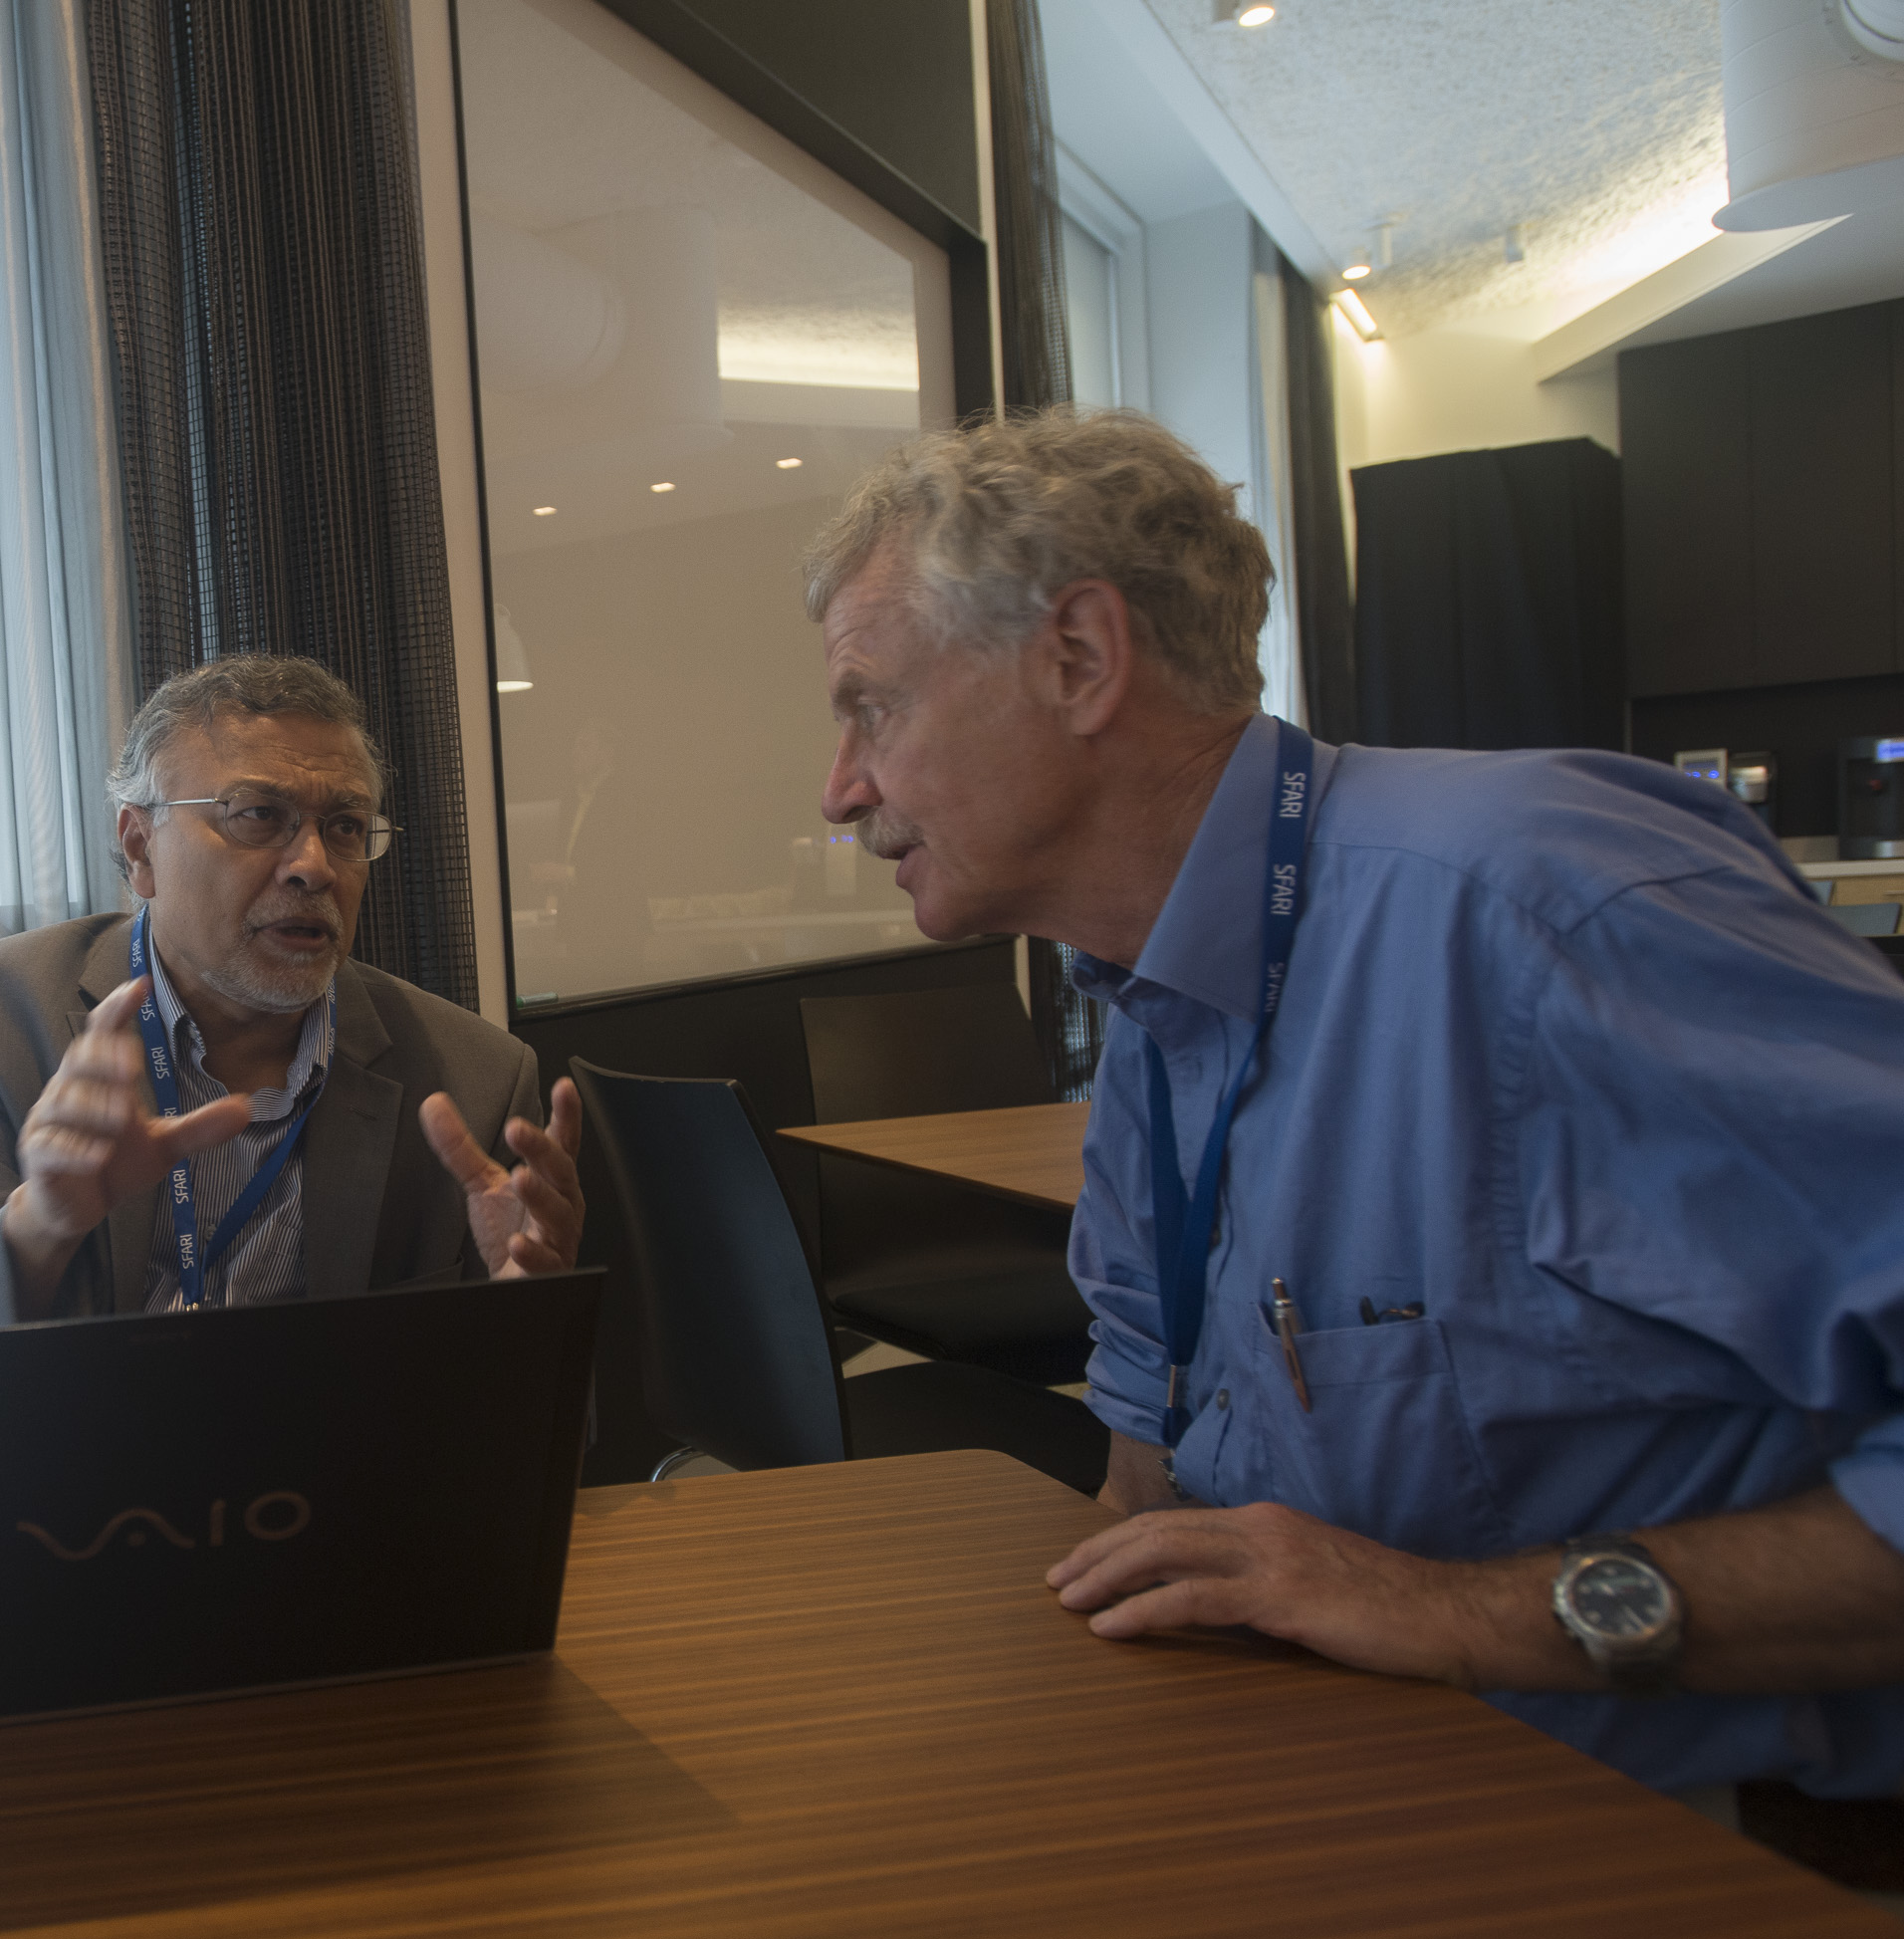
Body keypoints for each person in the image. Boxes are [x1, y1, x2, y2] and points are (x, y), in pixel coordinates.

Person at [805, 405, 1904, 1797]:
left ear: (1080, 658)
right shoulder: (1143, 987)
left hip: (1674, 1846)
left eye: (870, 707)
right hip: (1325, 1786)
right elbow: (1151, 1479)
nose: (842, 791)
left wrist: (1462, 1612)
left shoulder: (1544, 914)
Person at [0, 652, 583, 1336]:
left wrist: (529, 1317)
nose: (314, 866)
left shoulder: (475, 1081)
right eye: (259, 816)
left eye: (344, 827)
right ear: (140, 848)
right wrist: (39, 1224)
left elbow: (540, 1429)